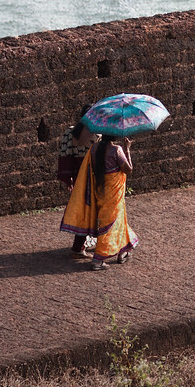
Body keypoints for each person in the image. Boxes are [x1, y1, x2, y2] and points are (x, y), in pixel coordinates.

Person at [59, 134, 138, 271]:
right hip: (113, 194)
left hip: (100, 190)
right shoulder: (116, 150)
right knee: (110, 223)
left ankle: (123, 250)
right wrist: (127, 149)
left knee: (115, 220)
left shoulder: (94, 148)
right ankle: (98, 259)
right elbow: (128, 169)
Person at [57, 105, 100, 259]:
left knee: (83, 209)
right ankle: (82, 245)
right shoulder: (97, 135)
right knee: (93, 210)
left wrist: (68, 177)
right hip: (91, 177)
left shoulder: (69, 132)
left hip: (77, 176)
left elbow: (64, 154)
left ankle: (82, 243)